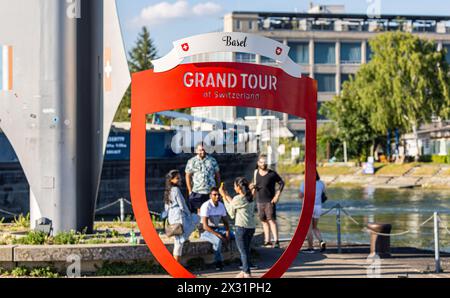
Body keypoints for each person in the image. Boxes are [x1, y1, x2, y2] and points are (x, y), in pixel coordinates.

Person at [220, 178, 256, 278]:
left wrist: (223, 196)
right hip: (251, 227)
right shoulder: (250, 197)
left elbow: (231, 212)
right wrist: (226, 195)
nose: (234, 187)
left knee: (243, 252)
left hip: (241, 227)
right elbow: (235, 203)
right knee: (246, 250)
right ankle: (244, 271)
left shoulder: (238, 198)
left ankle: (247, 273)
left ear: (239, 187)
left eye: (235, 185)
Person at [251, 155, 285, 248]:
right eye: (261, 162)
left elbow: (282, 183)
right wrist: (252, 191)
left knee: (271, 220)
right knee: (263, 221)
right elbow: (255, 184)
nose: (264, 164)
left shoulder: (272, 174)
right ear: (258, 163)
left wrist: (277, 195)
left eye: (265, 162)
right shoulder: (255, 172)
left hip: (270, 201)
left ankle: (276, 241)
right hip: (259, 201)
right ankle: (267, 241)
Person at [164, 170, 195, 263]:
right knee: (179, 243)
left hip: (172, 218)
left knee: (178, 242)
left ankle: (177, 266)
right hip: (179, 217)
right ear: (171, 180)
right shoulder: (176, 190)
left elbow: (166, 207)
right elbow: (182, 204)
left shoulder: (167, 191)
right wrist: (189, 214)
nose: (180, 179)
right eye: (177, 178)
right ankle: (177, 267)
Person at [199, 187, 231, 271]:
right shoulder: (206, 206)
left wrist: (227, 233)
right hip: (205, 231)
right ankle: (218, 262)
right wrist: (219, 235)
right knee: (218, 241)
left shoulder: (221, 205)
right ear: (210, 196)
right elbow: (205, 226)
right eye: (214, 195)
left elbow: (226, 222)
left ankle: (243, 260)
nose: (217, 196)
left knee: (236, 235)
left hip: (217, 229)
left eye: (218, 195)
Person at [186, 143, 221, 214]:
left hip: (210, 190)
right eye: (200, 150)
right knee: (200, 211)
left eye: (204, 150)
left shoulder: (212, 160)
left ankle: (211, 224)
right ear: (196, 151)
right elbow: (188, 176)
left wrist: (218, 188)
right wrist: (190, 190)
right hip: (197, 191)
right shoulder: (191, 161)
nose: (203, 152)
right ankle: (201, 224)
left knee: (212, 210)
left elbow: (217, 175)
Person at [299, 171, 327, 253]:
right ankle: (321, 241)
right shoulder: (321, 183)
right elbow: (324, 193)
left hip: (308, 206)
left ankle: (310, 248)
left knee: (309, 229)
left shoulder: (304, 183)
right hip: (318, 206)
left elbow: (300, 195)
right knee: (315, 227)